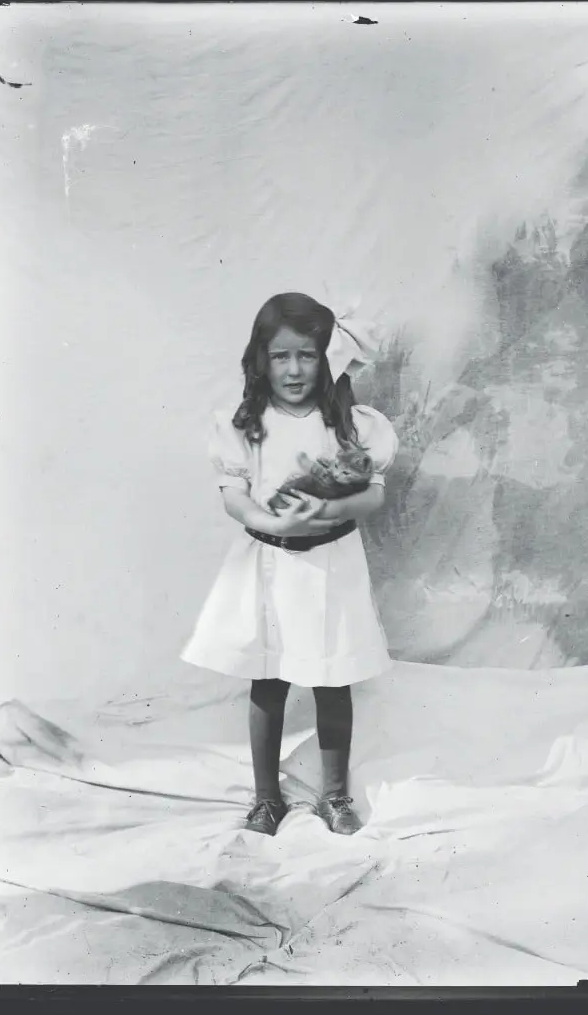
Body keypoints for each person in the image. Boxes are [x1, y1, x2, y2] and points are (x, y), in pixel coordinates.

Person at [182, 292, 399, 837]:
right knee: (269, 679)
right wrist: (271, 521)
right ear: (261, 360)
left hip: (331, 565)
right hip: (270, 565)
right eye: (282, 356)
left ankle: (334, 795)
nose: (295, 368)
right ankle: (265, 799)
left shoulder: (348, 424)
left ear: (327, 357)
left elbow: (372, 497)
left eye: (307, 354)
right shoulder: (247, 425)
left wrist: (328, 508)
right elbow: (234, 495)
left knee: (333, 679)